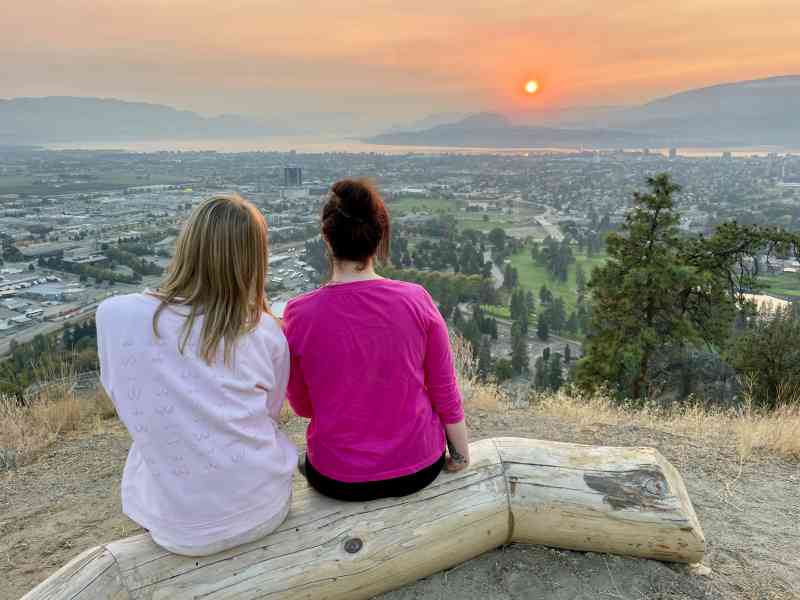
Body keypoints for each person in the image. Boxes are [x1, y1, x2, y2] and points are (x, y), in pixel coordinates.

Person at [96, 195, 297, 556]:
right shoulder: (264, 332)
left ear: (187, 245)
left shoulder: (114, 317)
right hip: (263, 509)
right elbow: (269, 413)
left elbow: (123, 394)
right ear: (254, 260)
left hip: (177, 530)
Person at [283, 179, 470, 502]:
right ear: (380, 234)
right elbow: (444, 389)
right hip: (418, 468)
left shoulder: (299, 313)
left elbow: (302, 406)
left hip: (337, 478)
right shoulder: (416, 300)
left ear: (326, 239)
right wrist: (462, 454)